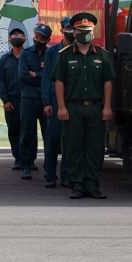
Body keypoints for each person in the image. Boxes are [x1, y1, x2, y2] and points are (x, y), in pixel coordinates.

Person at [53, 12, 115, 199]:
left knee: (95, 148)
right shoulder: (64, 56)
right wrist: (61, 107)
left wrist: (107, 107)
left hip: (96, 108)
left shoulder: (102, 55)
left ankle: (92, 184)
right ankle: (77, 184)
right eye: (81, 30)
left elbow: (108, 82)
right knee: (74, 147)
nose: (84, 34)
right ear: (74, 31)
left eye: (88, 31)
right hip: (73, 108)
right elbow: (59, 82)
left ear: (93, 32)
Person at [41, 17, 74, 188]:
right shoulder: (53, 52)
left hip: (72, 101)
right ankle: (50, 175)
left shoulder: (78, 50)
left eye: (72, 28)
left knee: (68, 141)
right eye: (67, 28)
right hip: (54, 101)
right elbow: (47, 78)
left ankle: (66, 175)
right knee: (52, 139)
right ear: (61, 30)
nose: (70, 31)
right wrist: (46, 102)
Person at [18, 23, 52, 180]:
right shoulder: (26, 53)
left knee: (49, 135)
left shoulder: (50, 53)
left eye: (42, 37)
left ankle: (49, 168)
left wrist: (36, 75)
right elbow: (23, 75)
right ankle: (26, 165)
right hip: (28, 99)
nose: (38, 39)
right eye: (37, 36)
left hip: (45, 100)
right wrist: (41, 76)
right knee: (27, 133)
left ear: (47, 39)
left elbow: (51, 77)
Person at [0, 27, 25, 170]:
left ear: (25, 38)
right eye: (13, 35)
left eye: (19, 35)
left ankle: (29, 160)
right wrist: (5, 100)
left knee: (27, 131)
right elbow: (1, 82)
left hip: (28, 99)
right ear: (9, 40)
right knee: (13, 130)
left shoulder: (29, 56)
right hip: (12, 101)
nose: (16, 37)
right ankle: (18, 159)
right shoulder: (4, 59)